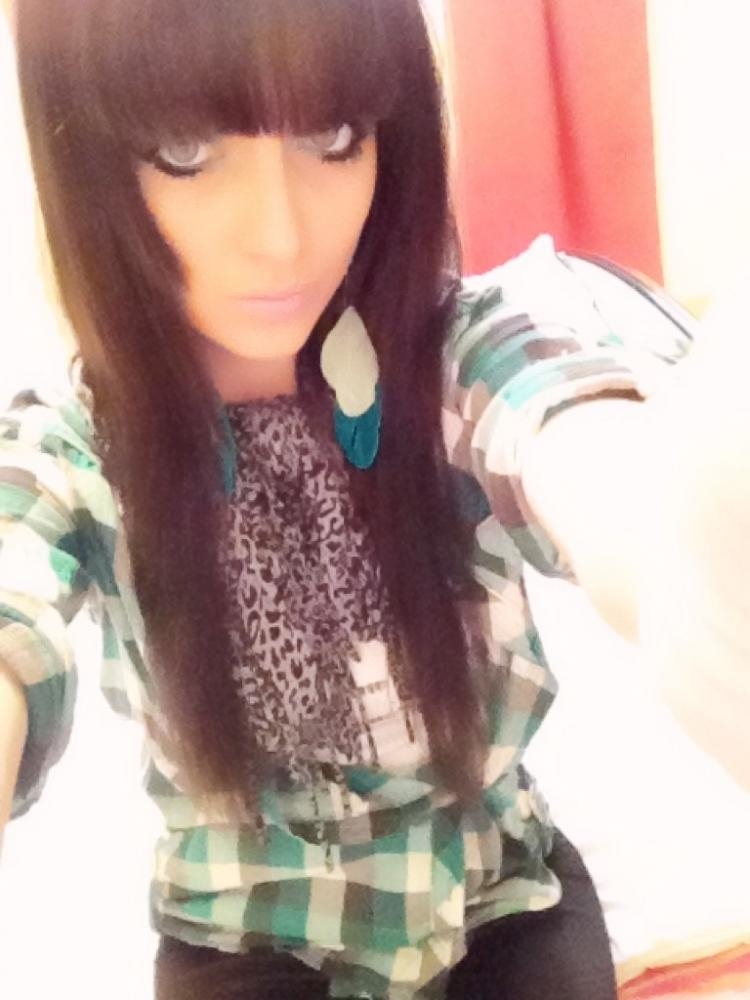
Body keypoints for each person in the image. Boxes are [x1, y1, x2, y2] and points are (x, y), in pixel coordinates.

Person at [1, 1, 746, 998]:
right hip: (249, 938)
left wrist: (682, 566)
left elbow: (559, 421)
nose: (282, 236)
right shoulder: (78, 438)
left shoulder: (451, 353)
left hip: (500, 896)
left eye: (334, 136)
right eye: (185, 152)